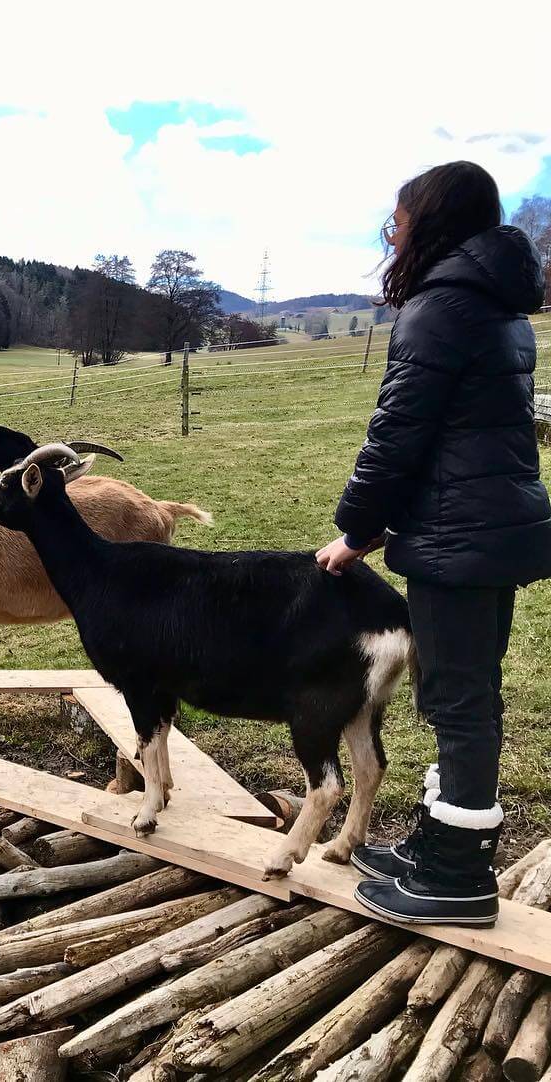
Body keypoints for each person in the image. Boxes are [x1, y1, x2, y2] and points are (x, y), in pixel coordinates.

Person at [316, 161, 550, 926]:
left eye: (399, 220)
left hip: (461, 537)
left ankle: (457, 877)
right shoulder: (497, 306)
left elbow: (397, 438)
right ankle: (442, 841)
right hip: (487, 528)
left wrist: (355, 531)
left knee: (458, 700)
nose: (393, 235)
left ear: (432, 221)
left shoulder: (441, 308)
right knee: (464, 692)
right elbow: (460, 437)